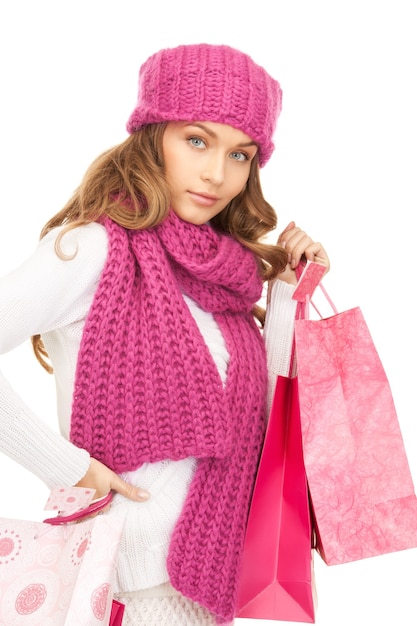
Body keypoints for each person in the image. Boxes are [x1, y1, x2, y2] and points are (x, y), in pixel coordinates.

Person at [0, 43, 329, 625]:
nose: (216, 174)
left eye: (241, 155)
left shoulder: (224, 275)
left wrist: (284, 292)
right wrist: (65, 467)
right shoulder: (93, 250)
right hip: (119, 594)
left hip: (208, 596)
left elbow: (262, 418)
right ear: (153, 134)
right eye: (197, 140)